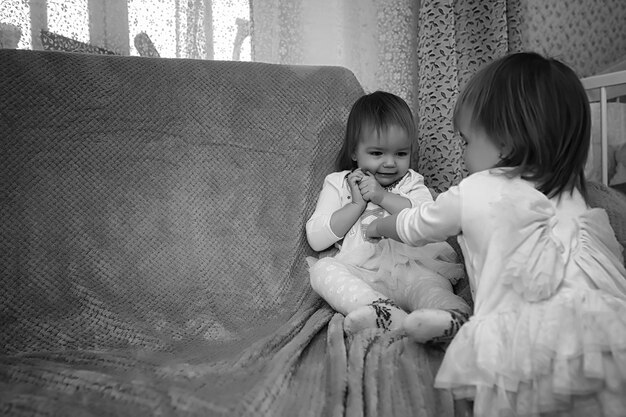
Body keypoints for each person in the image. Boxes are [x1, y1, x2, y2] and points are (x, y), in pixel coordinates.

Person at [366, 52, 626, 416]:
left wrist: (378, 225)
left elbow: (416, 224)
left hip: (520, 346)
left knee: (471, 391)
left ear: (505, 144)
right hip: (602, 338)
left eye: (467, 142)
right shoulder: (574, 193)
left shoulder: (473, 190)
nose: (463, 154)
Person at [306, 90, 471, 341]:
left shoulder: (412, 182)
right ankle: (380, 310)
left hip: (413, 269)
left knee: (430, 287)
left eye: (401, 154)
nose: (390, 163)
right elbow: (317, 239)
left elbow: (427, 219)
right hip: (362, 274)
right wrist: (356, 205)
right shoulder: (339, 183)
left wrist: (382, 196)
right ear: (354, 152)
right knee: (322, 270)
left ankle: (451, 316)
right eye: (377, 153)